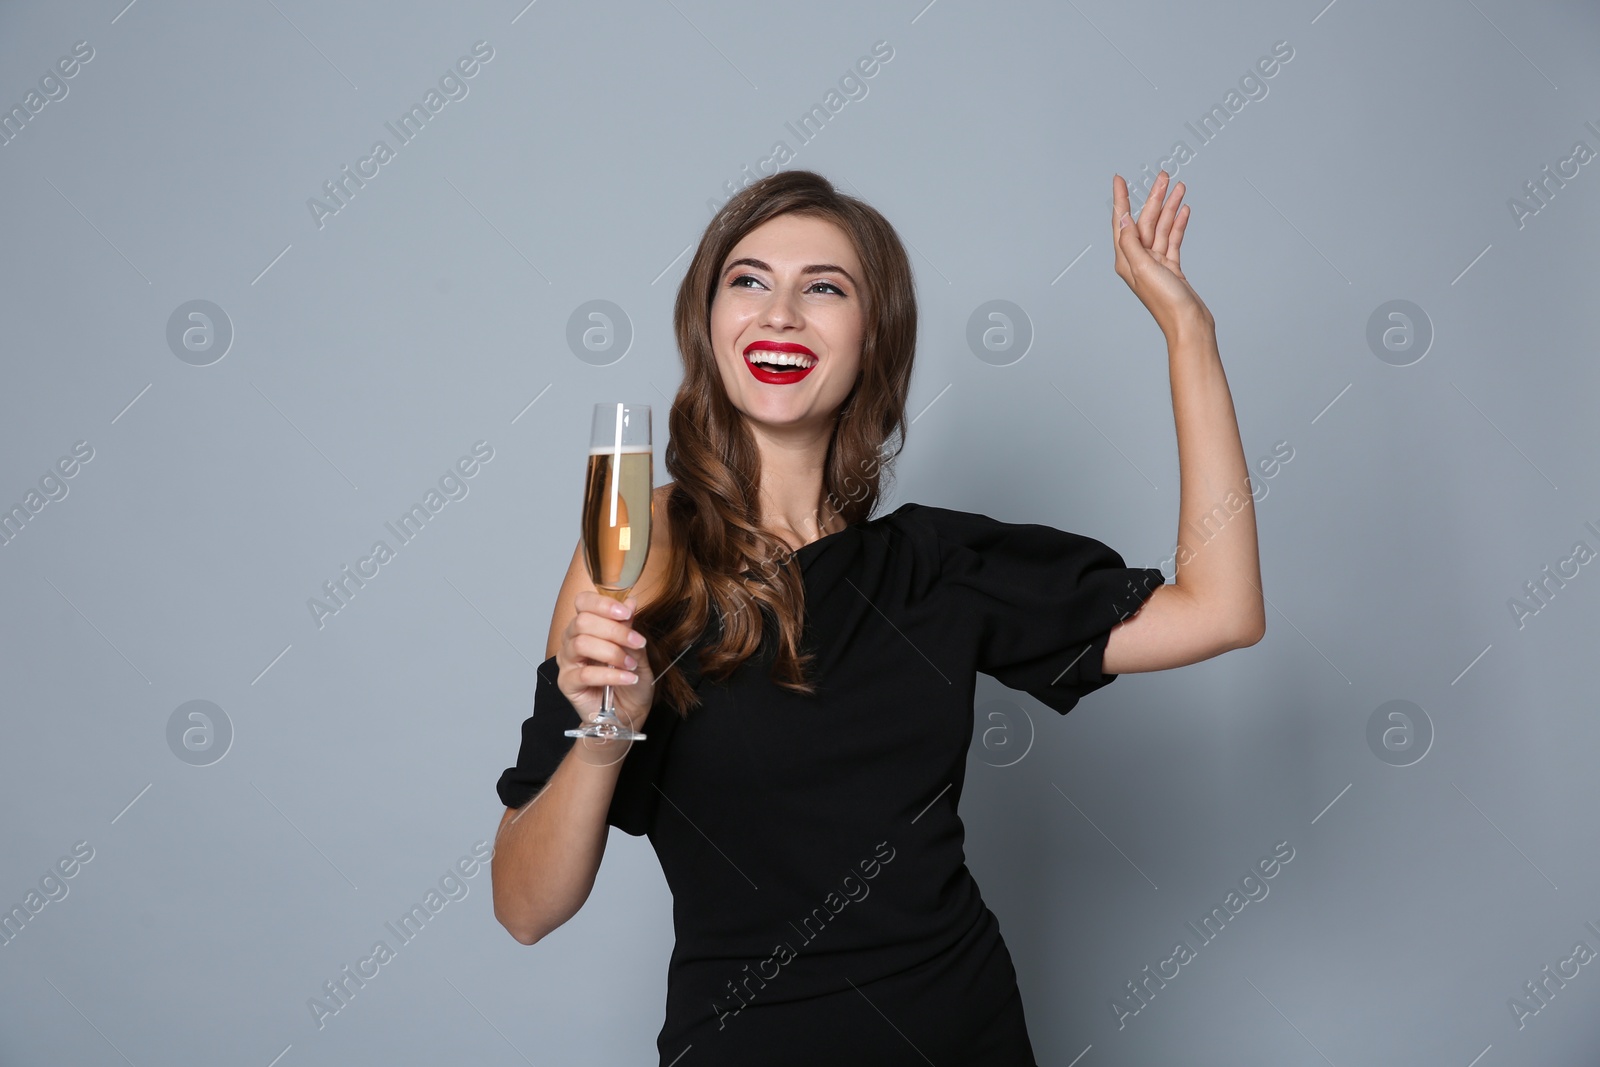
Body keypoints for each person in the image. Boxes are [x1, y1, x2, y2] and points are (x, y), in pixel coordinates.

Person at [491, 169, 1263, 1065]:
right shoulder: (638, 554)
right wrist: (603, 739)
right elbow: (523, 907)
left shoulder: (936, 567)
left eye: (824, 287)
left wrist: (1189, 332)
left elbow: (1221, 610)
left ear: (873, 342)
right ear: (708, 326)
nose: (780, 312)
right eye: (748, 280)